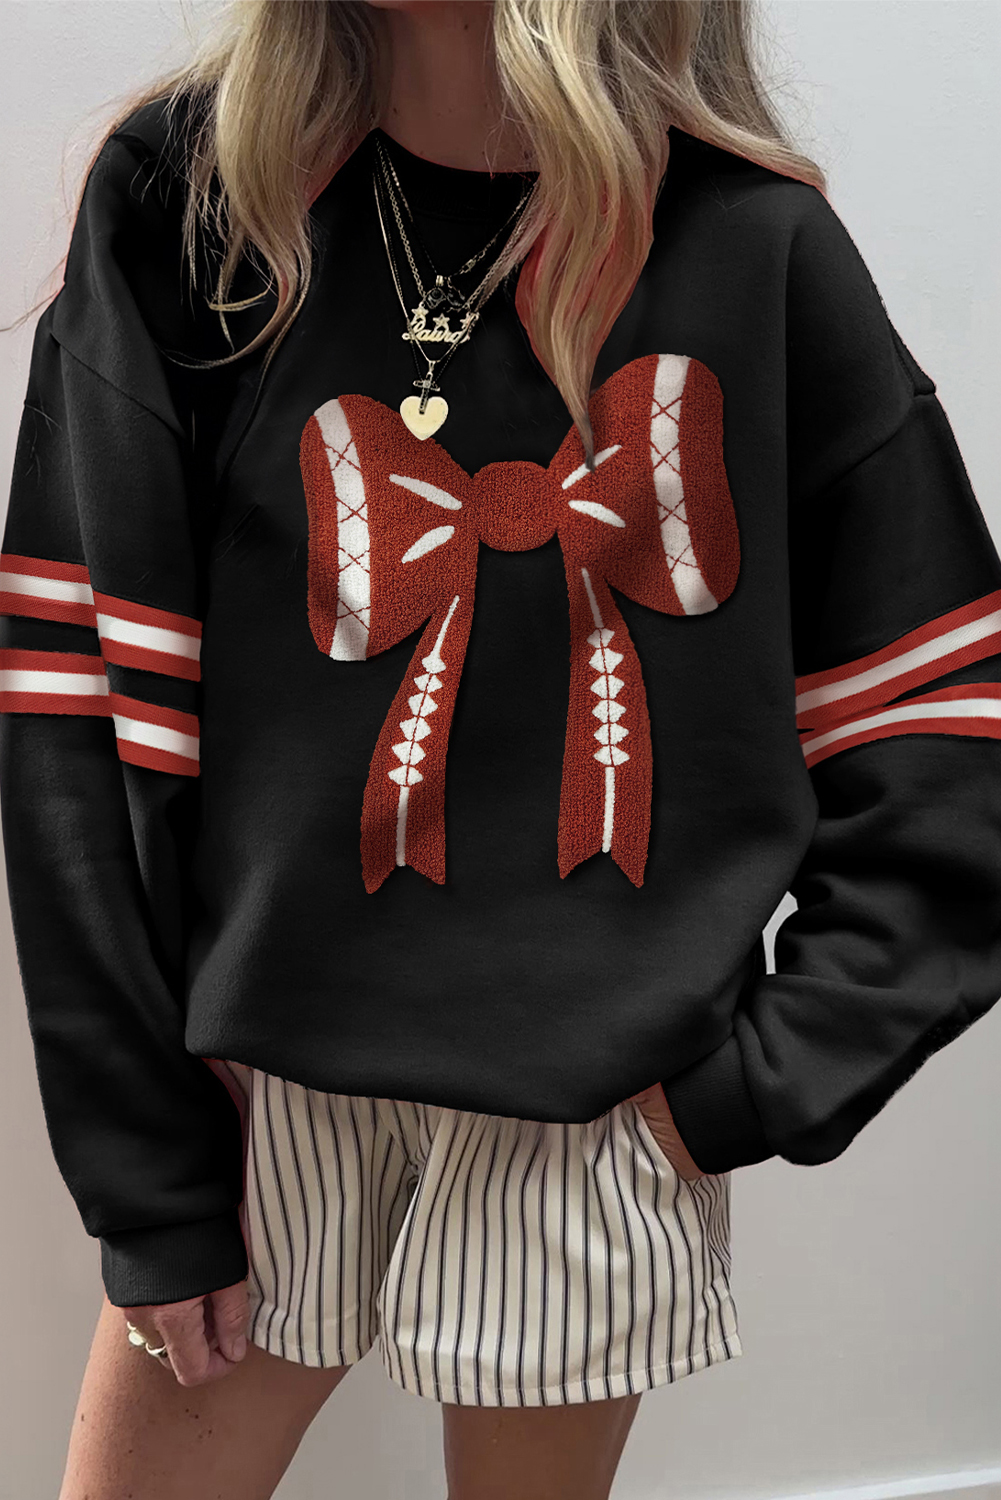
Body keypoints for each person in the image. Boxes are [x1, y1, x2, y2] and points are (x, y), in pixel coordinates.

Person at [2, 0, 1000, 1496]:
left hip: (602, 1118)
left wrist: (753, 1087)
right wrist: (144, 1162)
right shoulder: (191, 208)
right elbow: (77, 713)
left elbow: (949, 731)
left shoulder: (755, 249)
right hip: (249, 1093)